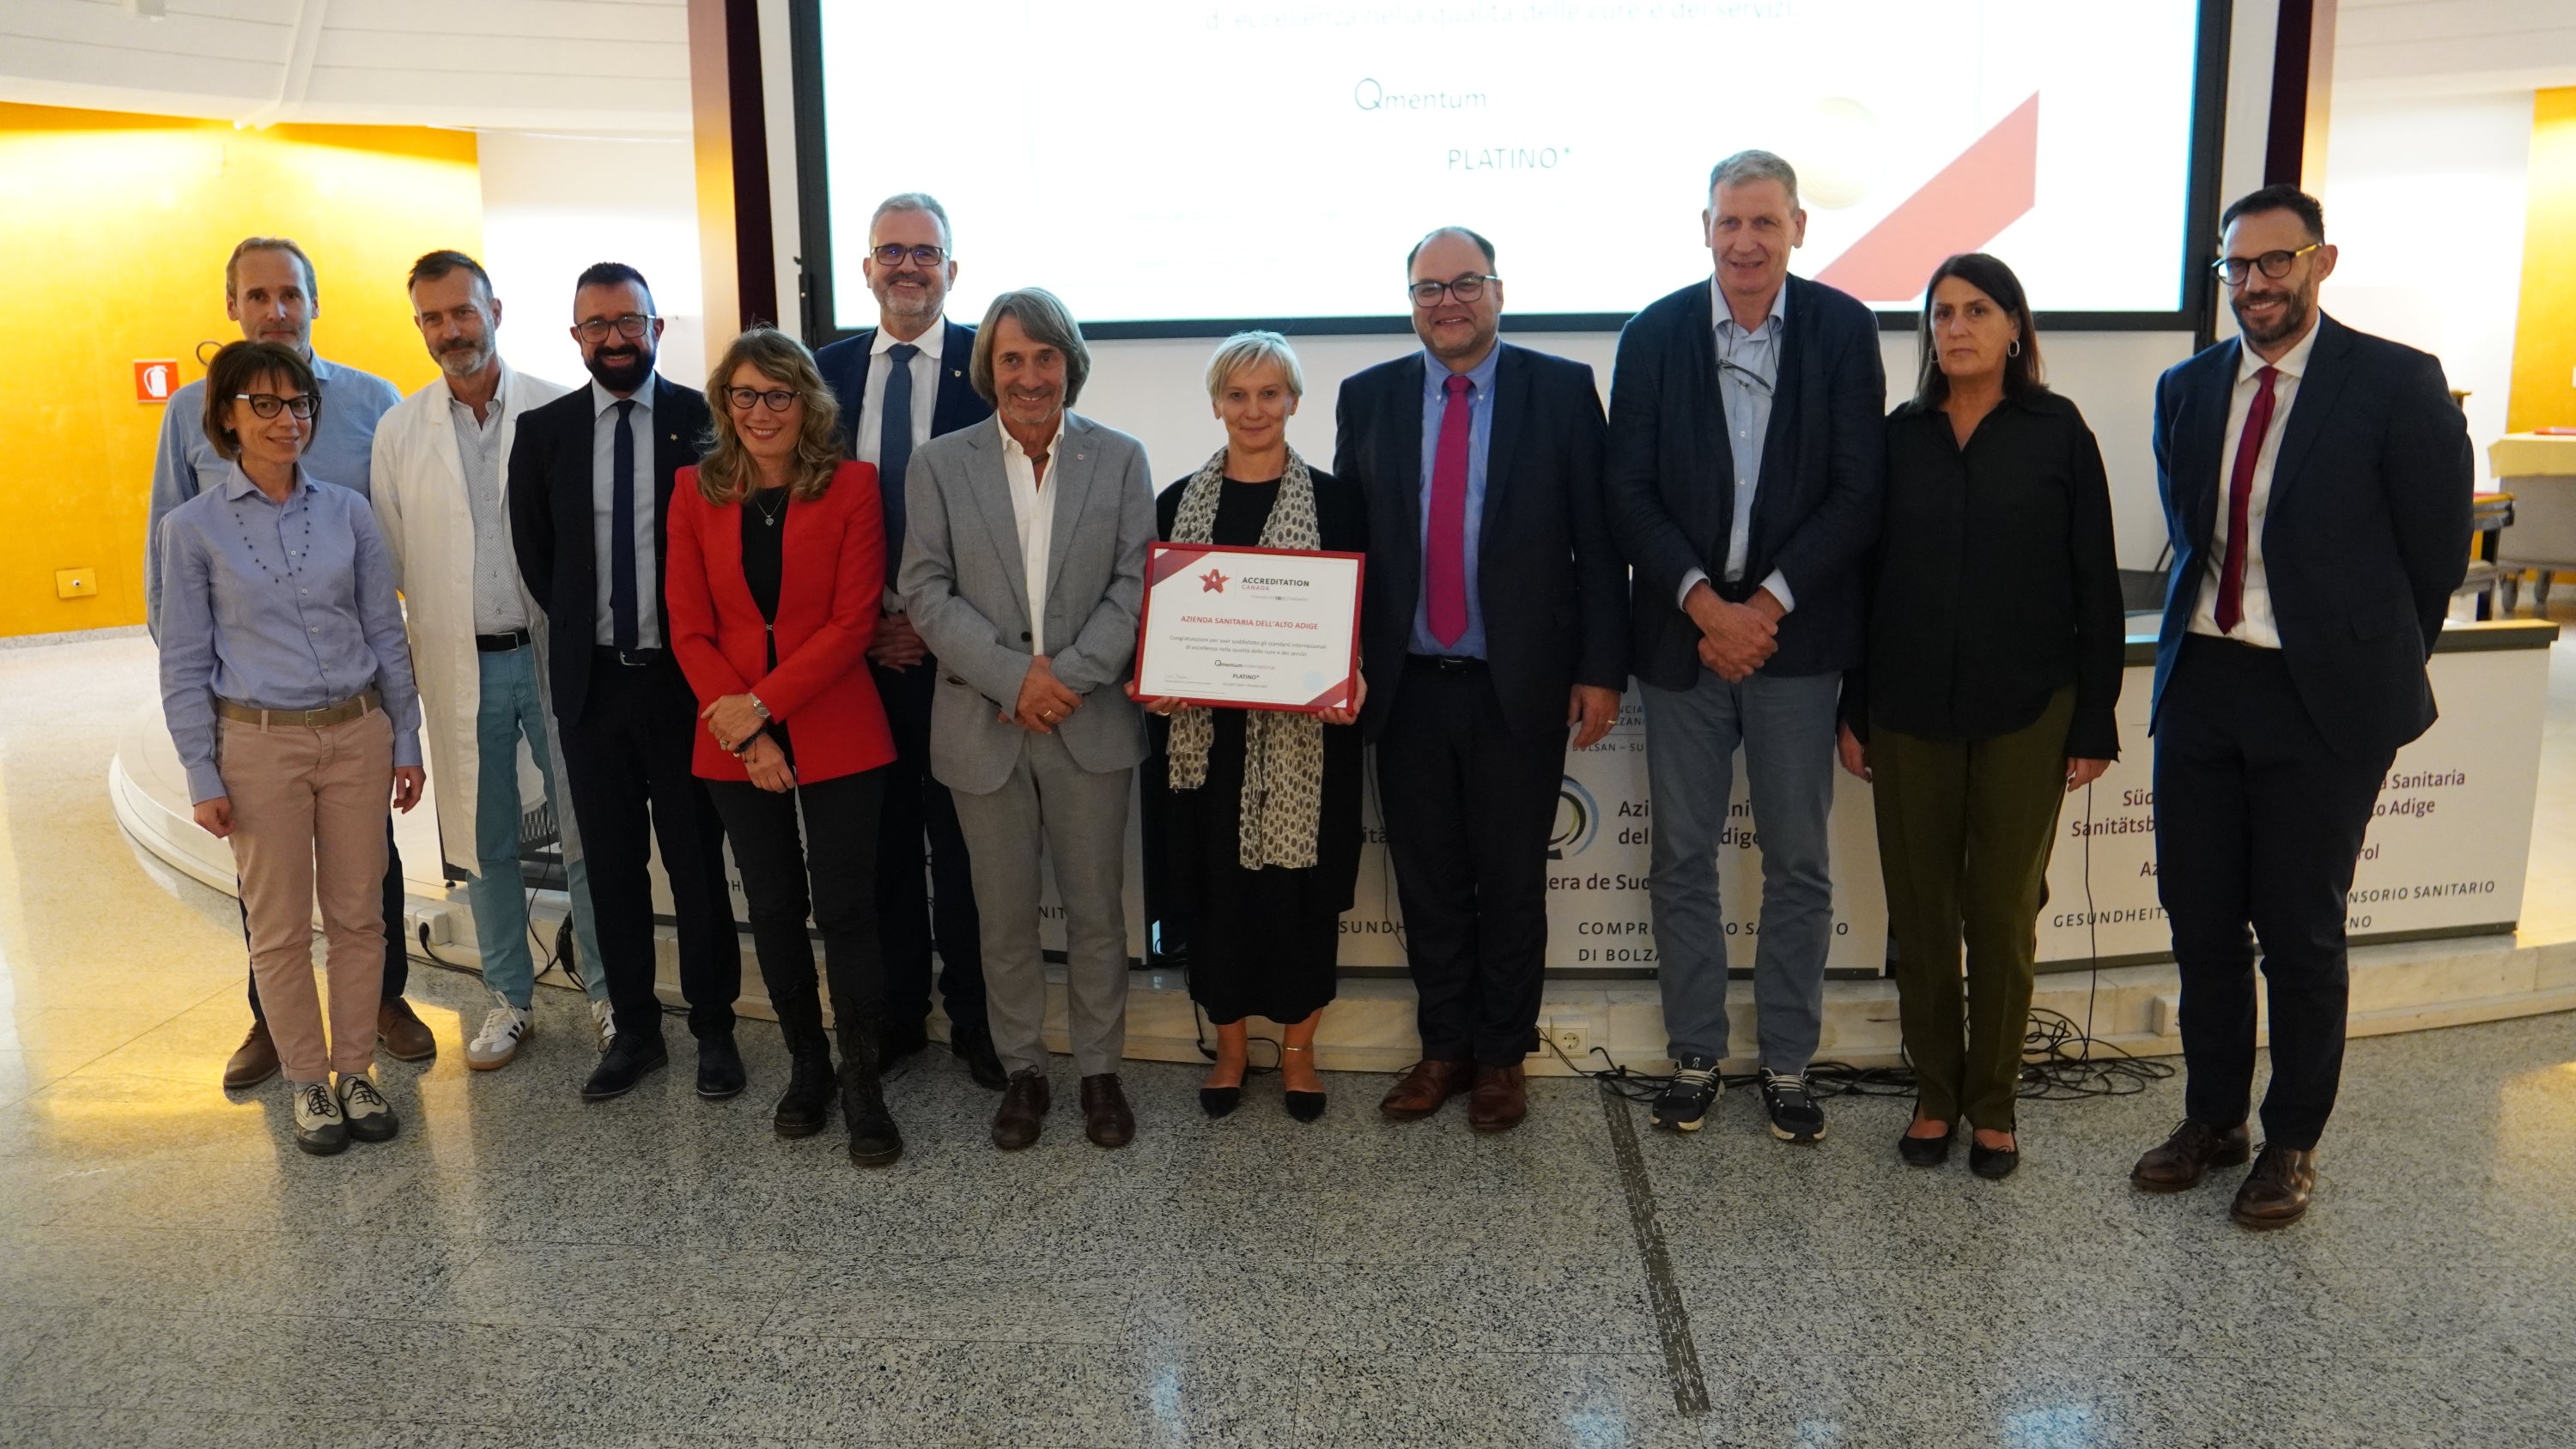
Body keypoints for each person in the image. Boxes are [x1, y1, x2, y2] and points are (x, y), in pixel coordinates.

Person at [2130, 186, 2470, 1229]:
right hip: (2207, 684)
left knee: (2302, 931)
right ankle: (2214, 1118)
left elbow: (2435, 558)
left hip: (2324, 700)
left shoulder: (2398, 384)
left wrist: (2363, 665)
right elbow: (2194, 536)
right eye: (2237, 267)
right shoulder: (2187, 388)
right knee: (2200, 923)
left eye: (2275, 263)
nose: (2255, 284)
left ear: (2320, 262)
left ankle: (2291, 1140)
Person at [1604, 150, 1887, 1143]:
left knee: (1798, 860)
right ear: (1706, 228)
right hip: (1683, 642)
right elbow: (1626, 489)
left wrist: (1761, 604)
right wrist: (1703, 604)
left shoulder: (1846, 332)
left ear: (1800, 228)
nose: (1747, 241)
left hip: (1796, 644)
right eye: (1731, 222)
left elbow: (1861, 487)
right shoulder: (1653, 334)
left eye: (1766, 222)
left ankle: (1788, 1061)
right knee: (1681, 856)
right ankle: (1693, 1051)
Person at [1834, 254, 2123, 1180]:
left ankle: (1993, 1103)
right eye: (1941, 312)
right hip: (1909, 707)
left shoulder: (2058, 432)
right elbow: (1865, 584)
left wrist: (2095, 720)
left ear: (2014, 327)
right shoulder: (1899, 435)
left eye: (1977, 310)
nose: (1955, 327)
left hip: (2028, 708)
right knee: (1920, 914)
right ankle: (1935, 1094)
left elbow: (2095, 584)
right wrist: (1857, 707)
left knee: (2001, 912)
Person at [1338, 227, 1626, 1134]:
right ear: (1411, 302)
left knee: (1508, 881)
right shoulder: (1369, 396)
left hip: (1521, 682)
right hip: (1408, 684)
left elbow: (1599, 541)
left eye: (1465, 283)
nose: (1447, 301)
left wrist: (1599, 668)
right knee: (1426, 880)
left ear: (1499, 292)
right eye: (1428, 288)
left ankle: (1503, 1055)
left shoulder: (1562, 389)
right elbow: (1351, 548)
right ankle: (1444, 1047)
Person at [143, 237, 432, 1086]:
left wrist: (399, 718)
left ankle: (379, 1005)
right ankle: (276, 1025)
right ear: (232, 304)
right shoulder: (191, 412)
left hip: (352, 706)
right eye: (258, 294)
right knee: (266, 891)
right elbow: (170, 577)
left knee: (363, 876)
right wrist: (203, 719)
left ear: (314, 300)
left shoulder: (373, 402)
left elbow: (387, 570)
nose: (276, 307)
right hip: (254, 709)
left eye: (291, 294)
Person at [899, 288, 1155, 1151]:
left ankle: (1099, 1071)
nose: (1031, 375)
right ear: (989, 369)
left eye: (1046, 357)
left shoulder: (1120, 460)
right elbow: (924, 592)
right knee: (1000, 918)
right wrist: (1016, 680)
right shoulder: (939, 463)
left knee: (1097, 915)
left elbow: (1134, 587)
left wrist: (1063, 681)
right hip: (984, 727)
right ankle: (1023, 1070)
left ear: (1069, 365)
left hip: (1090, 725)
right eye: (1013, 358)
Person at [369, 249, 618, 1071]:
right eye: (432, 319)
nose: (450, 331)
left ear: (496, 311)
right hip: (461, 663)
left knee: (587, 829)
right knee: (487, 843)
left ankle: (610, 994)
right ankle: (510, 1000)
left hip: (550, 654)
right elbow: (395, 566)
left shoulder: (558, 409)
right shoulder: (400, 431)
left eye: (462, 312)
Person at [665, 328, 904, 1164]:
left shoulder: (852, 486)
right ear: (724, 405)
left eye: (778, 394)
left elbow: (852, 623)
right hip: (730, 733)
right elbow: (688, 624)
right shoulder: (694, 490)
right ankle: (807, 1066)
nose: (761, 410)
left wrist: (763, 705)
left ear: (807, 401)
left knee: (846, 908)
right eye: (744, 395)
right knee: (771, 906)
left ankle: (863, 1077)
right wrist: (747, 727)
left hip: (836, 720)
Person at [507, 263, 744, 1104]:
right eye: (596, 324)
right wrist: (588, 632)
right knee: (611, 868)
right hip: (593, 688)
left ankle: (714, 1028)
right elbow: (539, 557)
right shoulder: (545, 433)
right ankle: (635, 1030)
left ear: (656, 327)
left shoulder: (707, 423)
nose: (614, 337)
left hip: (687, 687)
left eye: (628, 321)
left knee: (694, 864)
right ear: (575, 338)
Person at [1139, 332, 1367, 1122]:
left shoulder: (1338, 502)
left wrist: (1353, 675)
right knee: (1217, 899)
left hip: (1305, 745)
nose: (1254, 409)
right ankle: (1231, 1050)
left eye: (1270, 394)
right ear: (1216, 406)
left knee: (1301, 902)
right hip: (1208, 747)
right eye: (1238, 395)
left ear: (1294, 403)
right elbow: (1161, 624)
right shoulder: (1177, 503)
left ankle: (1299, 1053)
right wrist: (1159, 682)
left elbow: (1358, 618)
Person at [813, 193, 1005, 1088]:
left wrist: (933, 624)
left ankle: (976, 1020)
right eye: (891, 251)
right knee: (881, 845)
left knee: (966, 849)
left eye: (925, 252)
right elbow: (812, 512)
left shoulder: (991, 366)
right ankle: (897, 1016)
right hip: (856, 657)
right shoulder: (824, 373)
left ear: (951, 271)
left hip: (962, 653)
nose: (907, 266)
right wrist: (869, 625)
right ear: (866, 268)